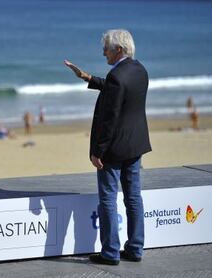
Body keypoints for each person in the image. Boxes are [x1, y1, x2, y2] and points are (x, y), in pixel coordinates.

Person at [65, 29, 151, 265]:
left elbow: (110, 118)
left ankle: (110, 252)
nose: (104, 53)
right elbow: (118, 90)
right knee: (133, 197)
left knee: (108, 200)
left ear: (119, 50)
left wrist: (98, 152)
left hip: (113, 150)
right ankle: (135, 249)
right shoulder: (139, 70)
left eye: (107, 48)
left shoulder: (116, 76)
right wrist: (88, 78)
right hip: (135, 145)